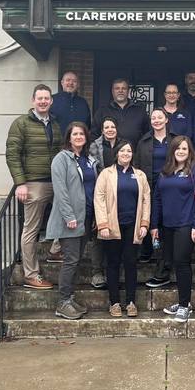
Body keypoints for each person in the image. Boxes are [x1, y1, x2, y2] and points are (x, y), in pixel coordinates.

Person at [6, 84, 62, 290]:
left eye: (46, 98)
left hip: (54, 181)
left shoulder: (54, 124)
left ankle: (56, 249)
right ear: (33, 101)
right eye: (40, 98)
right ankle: (31, 274)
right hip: (34, 183)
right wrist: (20, 183)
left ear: (51, 101)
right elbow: (12, 155)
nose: (43, 101)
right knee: (32, 229)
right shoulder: (20, 124)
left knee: (66, 214)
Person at [150, 136, 195, 323]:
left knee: (182, 263)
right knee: (173, 262)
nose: (181, 151)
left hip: (187, 225)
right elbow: (157, 199)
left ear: (189, 150)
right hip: (167, 225)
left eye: (185, 148)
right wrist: (154, 225)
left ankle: (184, 306)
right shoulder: (165, 171)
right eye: (178, 148)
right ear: (172, 150)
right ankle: (185, 301)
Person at [45, 122, 98, 320]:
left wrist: (94, 216)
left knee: (76, 260)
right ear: (69, 137)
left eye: (81, 134)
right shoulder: (62, 159)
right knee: (70, 260)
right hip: (72, 219)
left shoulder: (88, 159)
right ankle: (62, 302)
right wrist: (69, 217)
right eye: (74, 134)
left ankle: (70, 298)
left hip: (87, 216)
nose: (78, 137)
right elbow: (60, 191)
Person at [94, 140, 151, 318]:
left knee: (131, 263)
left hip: (132, 227)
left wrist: (144, 223)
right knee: (112, 264)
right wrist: (102, 224)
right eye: (122, 151)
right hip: (112, 226)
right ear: (116, 153)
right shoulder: (106, 174)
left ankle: (131, 302)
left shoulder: (140, 175)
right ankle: (114, 302)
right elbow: (99, 198)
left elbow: (146, 201)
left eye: (129, 151)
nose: (126, 153)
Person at [135, 108, 177, 283]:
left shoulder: (176, 140)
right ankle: (147, 251)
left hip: (170, 188)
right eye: (153, 118)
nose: (157, 120)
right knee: (148, 219)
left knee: (165, 225)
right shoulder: (143, 141)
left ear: (166, 120)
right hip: (149, 187)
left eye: (160, 117)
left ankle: (165, 266)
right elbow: (136, 164)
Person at [85, 117, 119, 288]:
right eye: (107, 127)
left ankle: (114, 271)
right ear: (102, 130)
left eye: (113, 127)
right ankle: (97, 272)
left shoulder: (124, 146)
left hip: (121, 196)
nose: (110, 129)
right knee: (99, 234)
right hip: (101, 195)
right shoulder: (93, 147)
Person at [91, 78, 149, 147]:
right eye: (117, 88)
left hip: (135, 154)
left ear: (128, 91)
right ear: (112, 91)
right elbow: (94, 135)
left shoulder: (140, 111)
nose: (120, 91)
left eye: (124, 88)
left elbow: (147, 134)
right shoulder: (102, 111)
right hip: (109, 155)